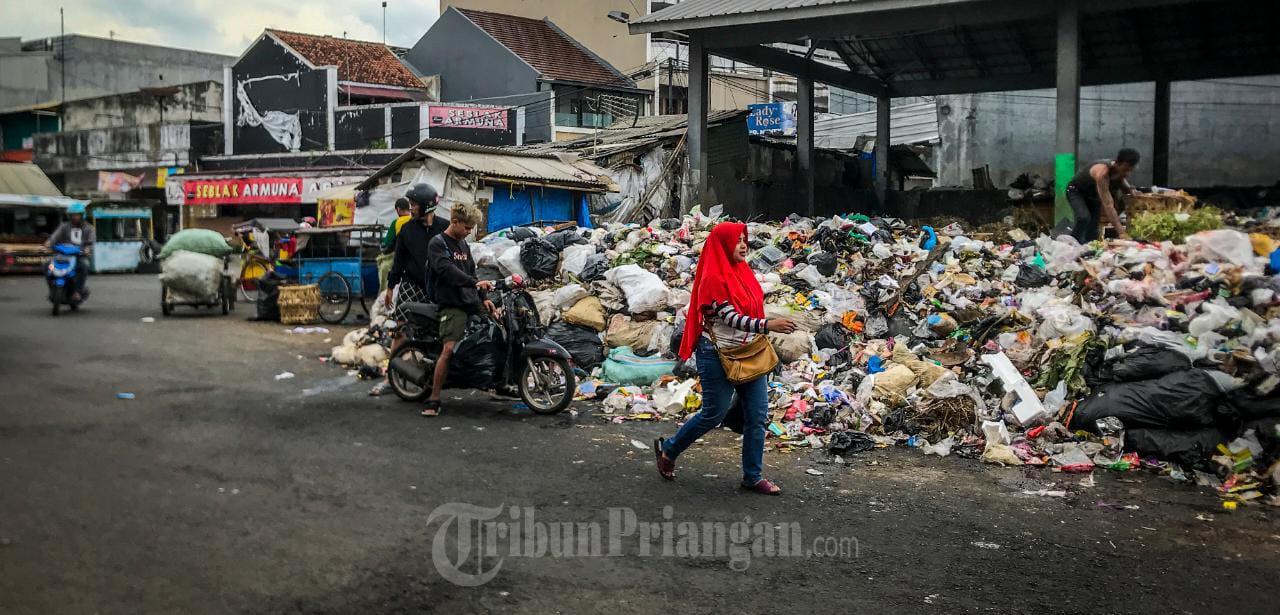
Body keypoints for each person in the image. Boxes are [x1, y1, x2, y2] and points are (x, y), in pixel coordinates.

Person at [653, 222, 797, 495]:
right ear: (722, 245)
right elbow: (732, 318)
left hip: (749, 352)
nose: (743, 245)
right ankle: (669, 450)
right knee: (713, 414)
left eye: (745, 239)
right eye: (737, 240)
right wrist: (769, 325)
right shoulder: (713, 279)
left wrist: (765, 327)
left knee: (757, 415)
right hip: (716, 355)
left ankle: (752, 477)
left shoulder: (743, 273)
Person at [370, 184, 449, 396]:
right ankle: (390, 377)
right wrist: (390, 287)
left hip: (436, 288)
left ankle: (438, 378)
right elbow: (399, 261)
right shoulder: (406, 229)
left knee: (441, 333)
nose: (411, 208)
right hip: (411, 286)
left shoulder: (445, 227)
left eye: (414, 205)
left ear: (426, 206)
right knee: (400, 331)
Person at [420, 202, 497, 417]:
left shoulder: (464, 245)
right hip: (451, 304)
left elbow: (472, 274)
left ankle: (498, 383)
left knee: (497, 332)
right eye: (467, 227)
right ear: (455, 222)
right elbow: (446, 270)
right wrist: (473, 284)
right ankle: (434, 398)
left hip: (470, 301)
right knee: (448, 350)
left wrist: (484, 299)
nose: (469, 232)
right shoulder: (438, 244)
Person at [1059, 148, 1140, 243]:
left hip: (1093, 196)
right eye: (1126, 170)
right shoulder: (1102, 173)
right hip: (1076, 192)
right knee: (1083, 218)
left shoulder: (1119, 172)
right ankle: (1071, 244)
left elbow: (1123, 184)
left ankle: (1089, 250)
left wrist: (1132, 190)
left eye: (1130, 170)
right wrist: (1121, 233)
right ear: (1118, 163)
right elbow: (1108, 205)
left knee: (1093, 230)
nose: (1127, 174)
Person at [45, 202, 95, 300]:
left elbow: (90, 242)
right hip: (63, 255)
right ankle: (52, 288)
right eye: (72, 215)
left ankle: (77, 291)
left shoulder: (89, 228)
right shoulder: (64, 226)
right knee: (47, 265)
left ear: (82, 215)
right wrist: (46, 245)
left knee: (84, 265)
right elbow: (53, 238)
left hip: (79, 255)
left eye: (77, 215)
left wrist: (87, 249)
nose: (75, 217)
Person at [376, 197, 412, 296]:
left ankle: (384, 293)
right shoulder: (414, 220)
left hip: (399, 256)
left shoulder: (396, 222)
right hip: (413, 256)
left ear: (398, 209)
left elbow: (387, 242)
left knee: (383, 266)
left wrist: (383, 242)